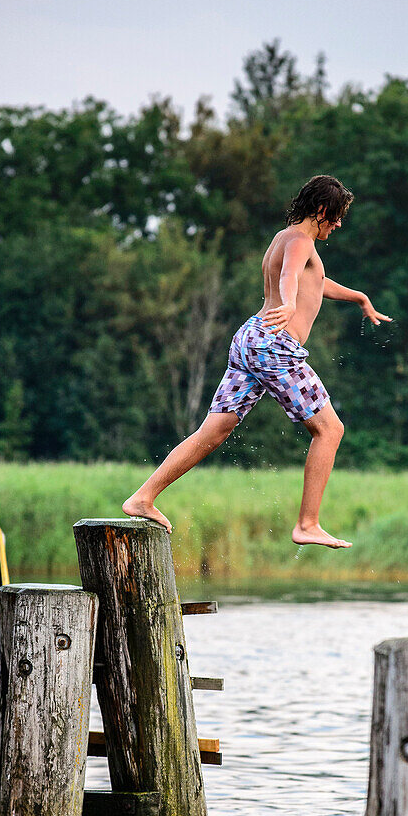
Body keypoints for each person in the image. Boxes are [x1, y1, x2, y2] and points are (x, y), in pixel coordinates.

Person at [123, 174, 391, 547]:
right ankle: (307, 524)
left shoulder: (285, 238)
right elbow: (290, 277)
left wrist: (359, 297)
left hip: (250, 340)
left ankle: (142, 497)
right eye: (338, 216)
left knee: (212, 431)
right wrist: (290, 304)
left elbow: (316, 282)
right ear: (322, 210)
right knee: (330, 429)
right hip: (274, 346)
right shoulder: (300, 241)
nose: (340, 224)